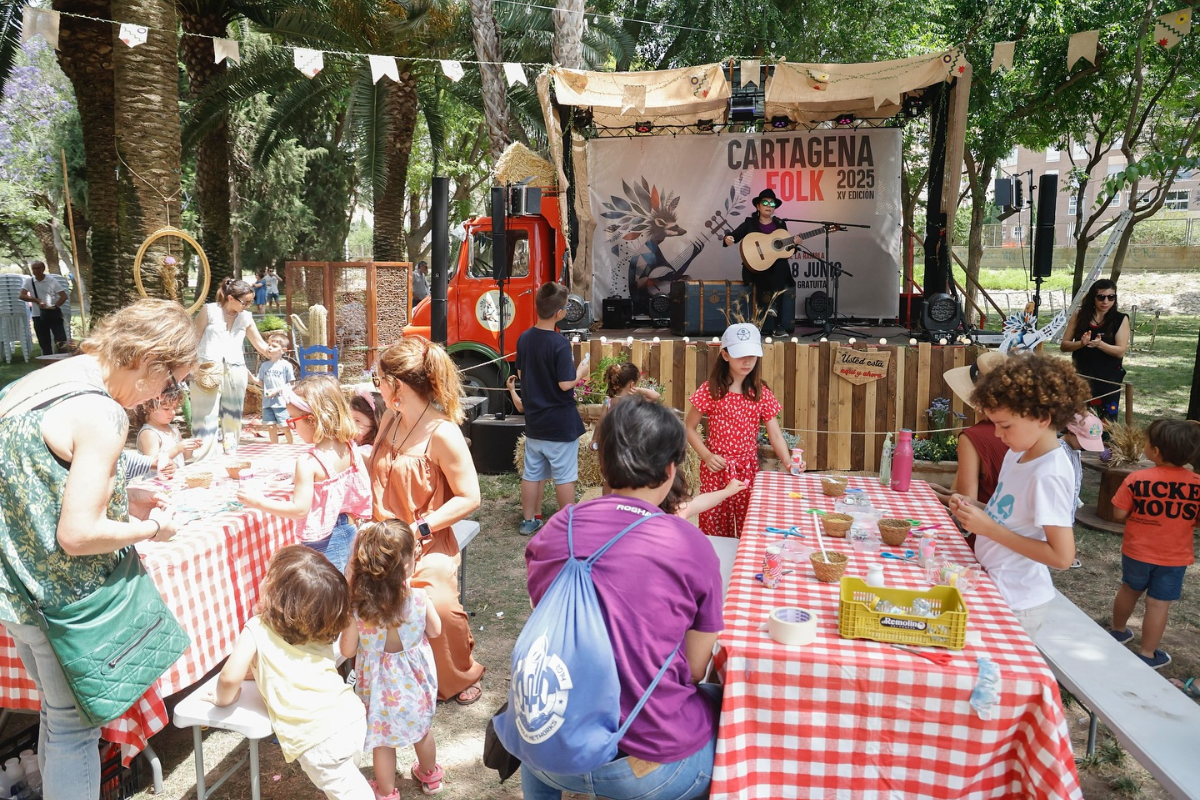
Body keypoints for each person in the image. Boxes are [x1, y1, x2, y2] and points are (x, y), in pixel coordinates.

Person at [0, 298, 196, 800]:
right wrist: (150, 528)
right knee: (74, 730)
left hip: (17, 592)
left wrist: (119, 495)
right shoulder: (103, 413)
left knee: (57, 715)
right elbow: (78, 534)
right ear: (150, 361)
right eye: (170, 383)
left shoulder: (40, 382)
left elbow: (36, 478)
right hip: (68, 603)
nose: (163, 395)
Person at [522, 399, 724, 800]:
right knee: (721, 707)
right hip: (644, 767)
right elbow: (695, 669)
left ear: (603, 463)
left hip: (549, 746)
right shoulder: (689, 544)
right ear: (671, 470)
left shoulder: (559, 526)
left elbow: (544, 618)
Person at [369, 336, 484, 704]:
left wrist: (419, 528)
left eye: (378, 380)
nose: (377, 386)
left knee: (439, 605)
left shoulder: (442, 432)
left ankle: (459, 674)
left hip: (427, 540)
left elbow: (470, 497)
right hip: (380, 539)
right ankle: (374, 673)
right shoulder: (390, 418)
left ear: (396, 385)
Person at [212, 546, 372, 800]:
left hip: (317, 735)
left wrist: (222, 699)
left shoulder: (257, 628)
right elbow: (284, 663)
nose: (263, 580)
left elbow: (229, 677)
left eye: (268, 576)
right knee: (346, 783)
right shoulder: (317, 626)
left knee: (351, 792)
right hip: (349, 715)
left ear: (278, 594)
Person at [949, 353, 1089, 636]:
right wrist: (975, 507)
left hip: (1018, 602)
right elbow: (1011, 516)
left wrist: (988, 528)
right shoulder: (1018, 454)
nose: (997, 434)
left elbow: (1062, 557)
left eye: (1005, 426)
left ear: (1042, 418)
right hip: (997, 585)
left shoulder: (1049, 474)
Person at [341, 520, 443, 799]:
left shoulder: (359, 611)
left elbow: (347, 651)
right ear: (408, 565)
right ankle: (431, 776)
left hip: (378, 691)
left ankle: (387, 792)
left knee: (382, 742)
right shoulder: (419, 599)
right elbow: (436, 630)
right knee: (422, 731)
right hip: (415, 685)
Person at [237, 376, 371, 573]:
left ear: (312, 420)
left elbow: (299, 510)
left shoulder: (308, 462)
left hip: (323, 541)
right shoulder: (349, 447)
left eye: (293, 421)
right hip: (349, 529)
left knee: (325, 587)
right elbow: (364, 485)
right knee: (346, 583)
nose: (292, 428)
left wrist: (257, 501)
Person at [1107, 419, 1200, 669]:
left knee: (1129, 589)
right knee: (1159, 604)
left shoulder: (1137, 478)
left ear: (1155, 451)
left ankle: (1118, 631)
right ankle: (1148, 654)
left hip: (1136, 552)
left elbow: (1118, 513)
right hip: (1174, 558)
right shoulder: (1197, 484)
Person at [684, 323, 792, 538]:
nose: (747, 361)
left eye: (752, 355)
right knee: (714, 527)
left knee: (749, 526)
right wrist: (706, 455)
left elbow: (775, 434)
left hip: (748, 469)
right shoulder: (710, 389)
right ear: (725, 355)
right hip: (716, 469)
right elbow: (689, 427)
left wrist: (789, 463)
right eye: (740, 355)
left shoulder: (760, 392)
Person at [514, 283, 589, 535]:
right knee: (564, 476)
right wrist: (581, 372)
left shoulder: (524, 338)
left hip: (535, 422)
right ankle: (567, 524)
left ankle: (528, 521)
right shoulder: (559, 343)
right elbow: (565, 384)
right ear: (559, 313)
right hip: (560, 423)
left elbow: (521, 373)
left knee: (532, 473)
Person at [191, 277, 280, 461]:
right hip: (207, 369)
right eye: (245, 302)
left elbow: (259, 344)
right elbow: (193, 339)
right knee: (205, 416)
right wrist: (193, 366)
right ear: (230, 298)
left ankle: (230, 458)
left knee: (232, 417)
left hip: (236, 369)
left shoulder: (246, 317)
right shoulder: (209, 310)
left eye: (250, 302)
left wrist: (270, 351)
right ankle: (203, 459)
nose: (248, 306)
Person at [935, 351, 1010, 512]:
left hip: (981, 525)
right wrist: (944, 492)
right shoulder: (1021, 434)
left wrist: (933, 495)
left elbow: (965, 505)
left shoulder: (974, 437)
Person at [721, 189, 801, 337]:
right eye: (765, 202)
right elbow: (733, 236)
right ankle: (776, 324)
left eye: (772, 203)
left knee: (781, 266)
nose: (769, 205)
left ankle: (775, 315)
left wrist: (794, 244)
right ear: (758, 206)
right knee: (778, 277)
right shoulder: (749, 223)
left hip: (776, 269)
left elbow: (786, 250)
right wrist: (728, 238)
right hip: (756, 268)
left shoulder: (780, 224)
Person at [1060, 279, 1130, 423]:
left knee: (1107, 423)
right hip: (1082, 376)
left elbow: (1120, 351)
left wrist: (1100, 345)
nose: (1106, 301)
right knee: (1078, 421)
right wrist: (1081, 343)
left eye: (1111, 297)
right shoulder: (1079, 316)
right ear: (1093, 297)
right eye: (1101, 297)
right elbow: (1064, 346)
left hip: (1108, 379)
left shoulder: (1120, 319)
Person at [249, 330, 296, 445]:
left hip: (281, 403)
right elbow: (261, 382)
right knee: (270, 426)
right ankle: (275, 446)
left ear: (283, 350)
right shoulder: (264, 366)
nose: (269, 348)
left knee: (285, 426)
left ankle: (291, 445)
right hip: (267, 403)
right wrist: (250, 377)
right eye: (269, 345)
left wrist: (277, 390)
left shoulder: (286, 365)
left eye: (274, 346)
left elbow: (291, 384)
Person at [136, 392, 201, 471]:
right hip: (158, 478)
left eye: (174, 408)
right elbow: (153, 464)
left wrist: (189, 447)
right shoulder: (149, 433)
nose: (172, 412)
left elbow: (184, 458)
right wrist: (177, 449)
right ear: (149, 408)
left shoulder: (173, 429)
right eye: (166, 409)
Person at [19, 261, 69, 356]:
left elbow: (63, 296)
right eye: (34, 268)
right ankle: (47, 359)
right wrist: (37, 300)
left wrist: (55, 306)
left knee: (60, 339)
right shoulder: (29, 281)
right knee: (43, 341)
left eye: (38, 268)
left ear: (43, 269)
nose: (36, 270)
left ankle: (63, 357)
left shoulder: (51, 281)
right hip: (37, 315)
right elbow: (21, 295)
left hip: (53, 314)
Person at [349, 385, 382, 455]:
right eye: (350, 420)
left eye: (357, 420)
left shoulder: (367, 452)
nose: (351, 425)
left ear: (374, 423)